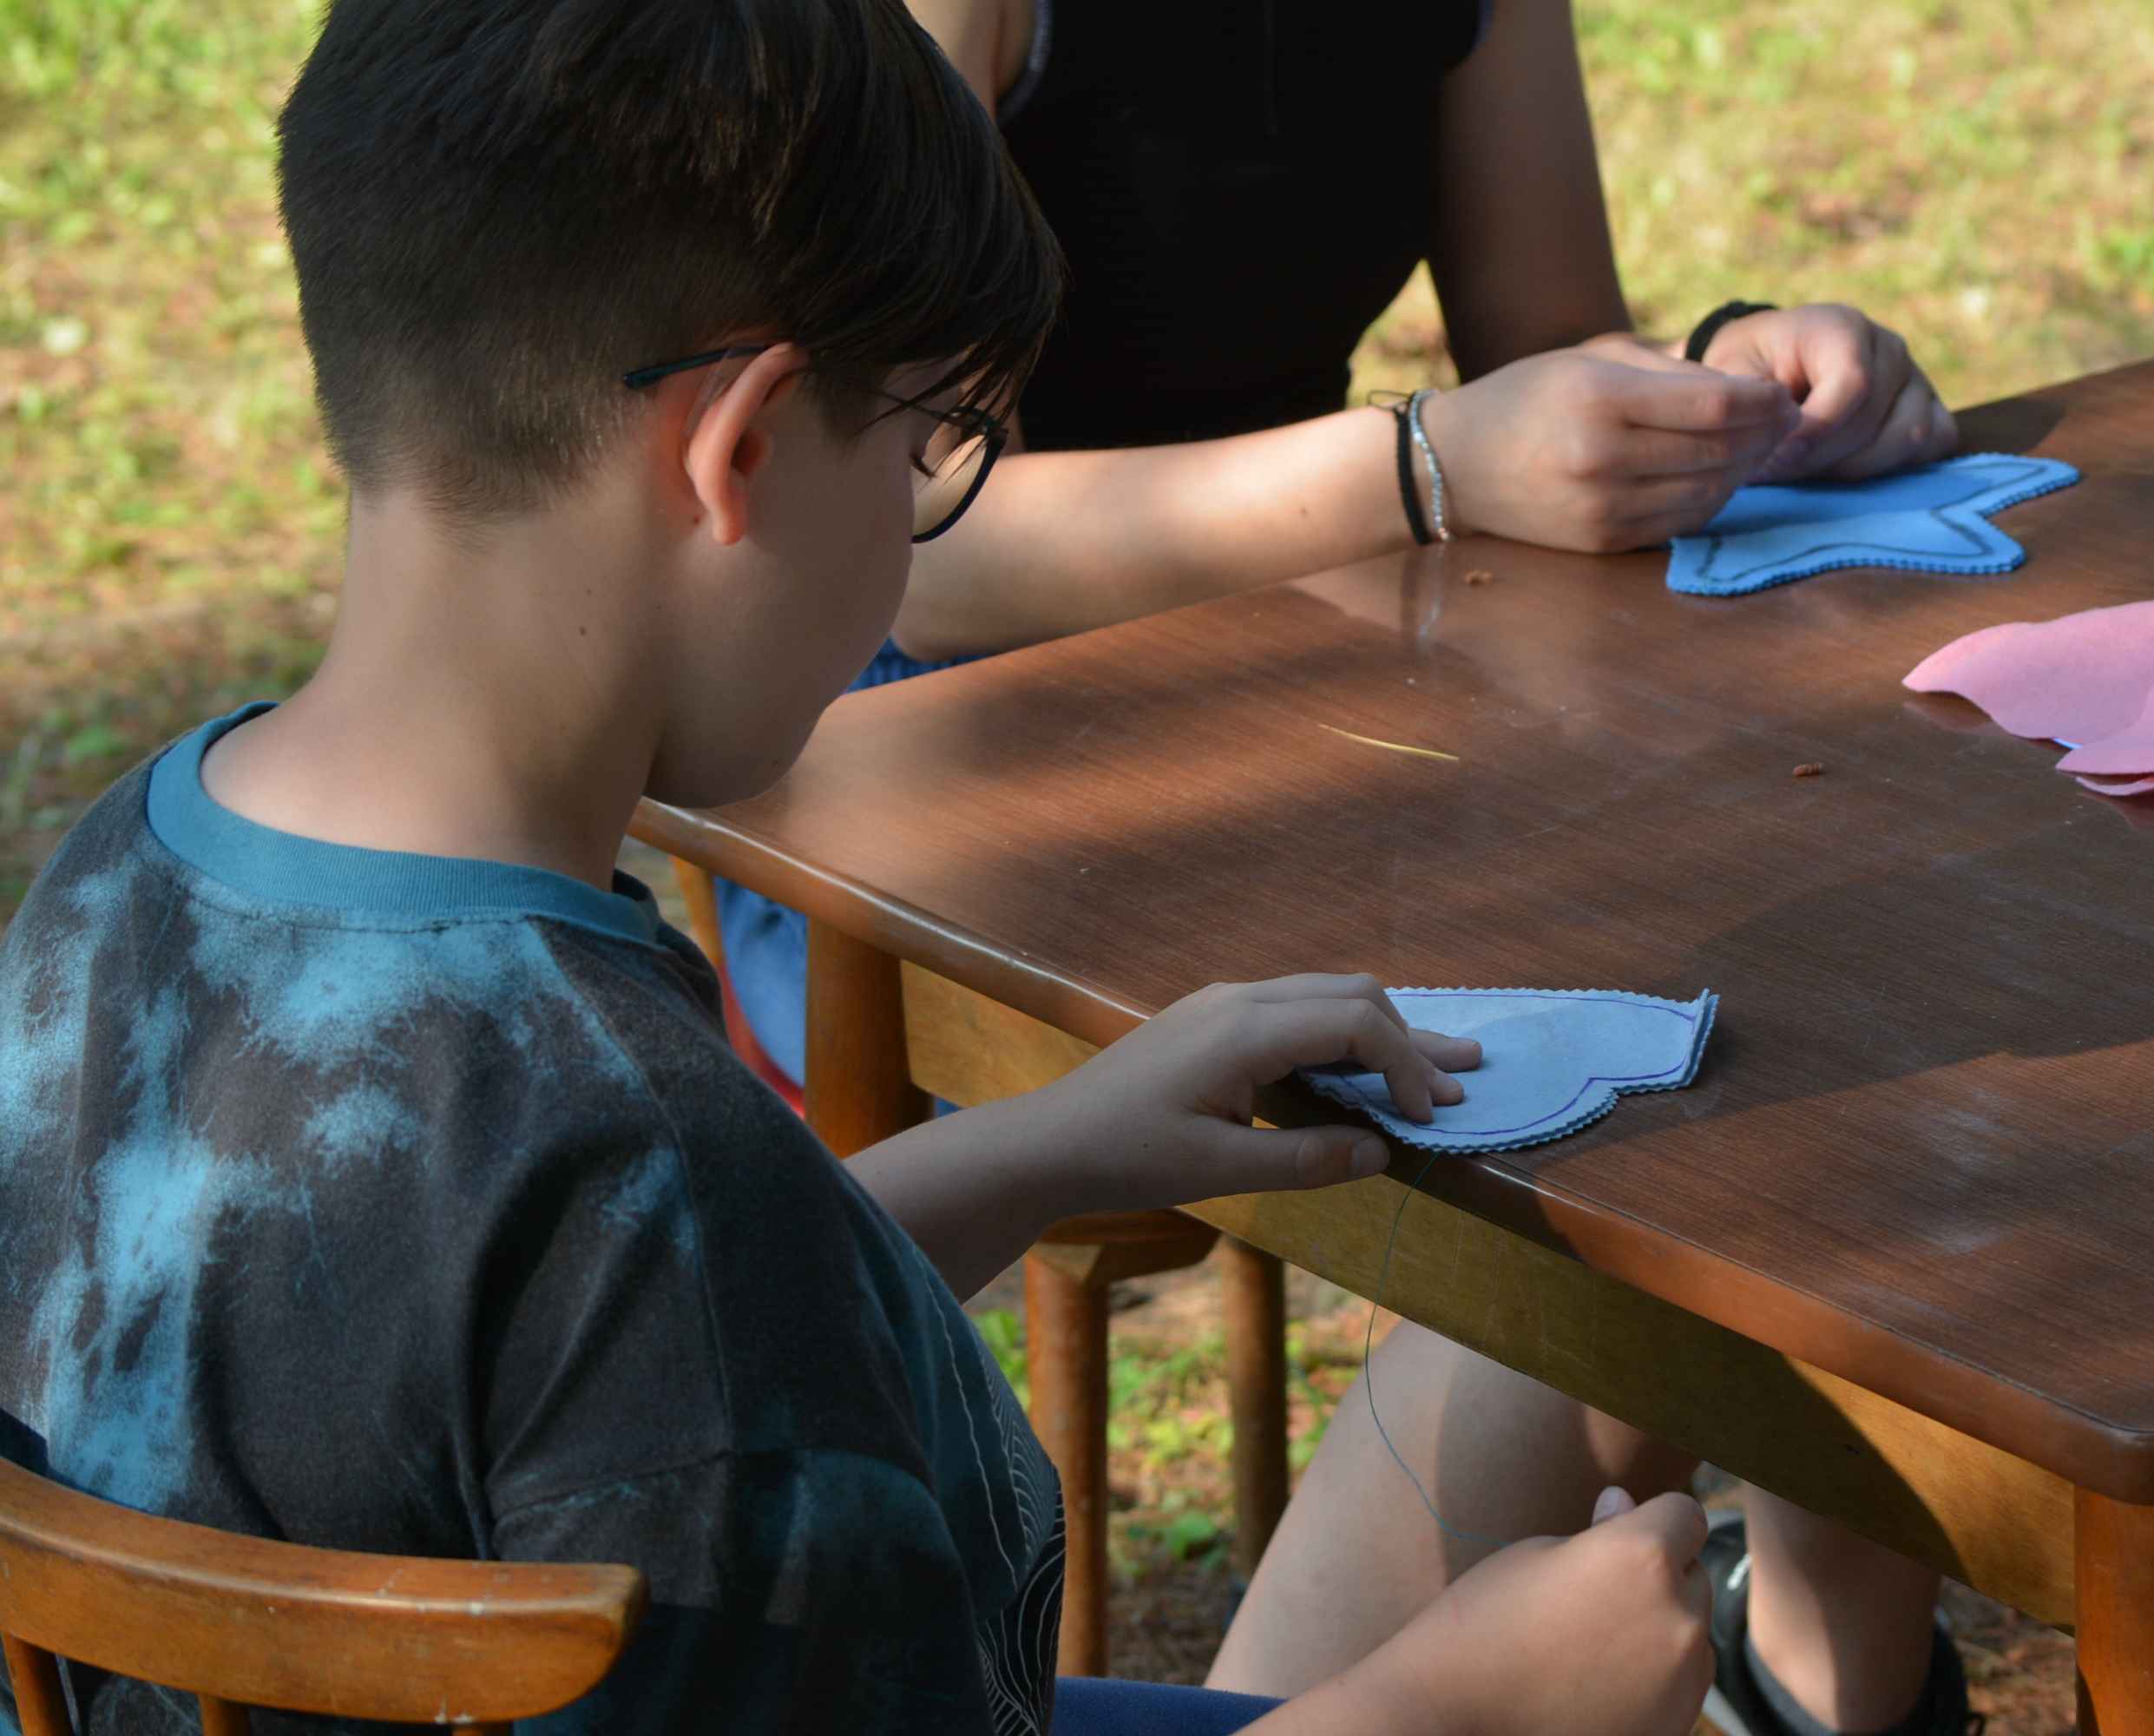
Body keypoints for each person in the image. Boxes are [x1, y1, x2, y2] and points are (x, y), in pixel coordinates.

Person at [0, 3, 1730, 1732]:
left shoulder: (113, 882)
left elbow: (572, 1380)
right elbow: (675, 1324)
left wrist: (1043, 1144)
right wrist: (1456, 1710)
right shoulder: (642, 1161)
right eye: (923, 454)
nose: (918, 517)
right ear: (737, 449)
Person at [708, 3, 1977, 1732]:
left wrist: (1725, 379)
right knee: (1676, 1086)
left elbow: (1545, 337)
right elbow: (923, 533)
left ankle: (1815, 1676)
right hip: (945, 783)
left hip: (1318, 696)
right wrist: (1421, 466)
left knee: (1791, 1008)